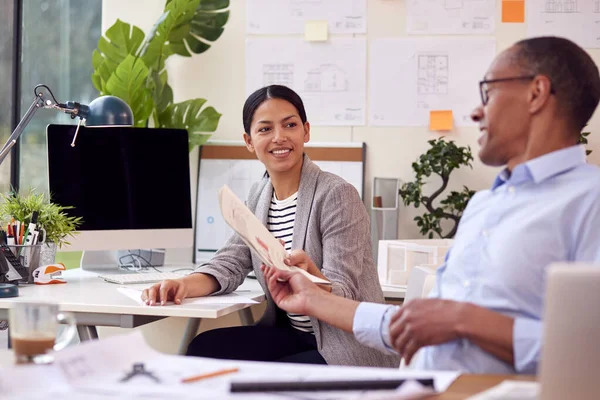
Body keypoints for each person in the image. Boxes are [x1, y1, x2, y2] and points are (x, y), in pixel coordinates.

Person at [262, 36, 600, 374]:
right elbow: (422, 325)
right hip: (418, 384)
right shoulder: (486, 204)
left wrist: (464, 319)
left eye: (489, 91)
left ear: (536, 93)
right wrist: (313, 300)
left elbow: (587, 351)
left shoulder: (589, 201)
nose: (476, 111)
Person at [142, 85, 398, 368]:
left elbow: (345, 293)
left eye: (290, 125)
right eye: (265, 129)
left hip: (344, 344)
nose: (279, 137)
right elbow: (231, 263)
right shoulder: (258, 195)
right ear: (249, 141)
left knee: (261, 378)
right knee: (203, 349)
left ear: (306, 131)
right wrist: (180, 285)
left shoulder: (336, 194)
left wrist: (312, 276)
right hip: (295, 335)